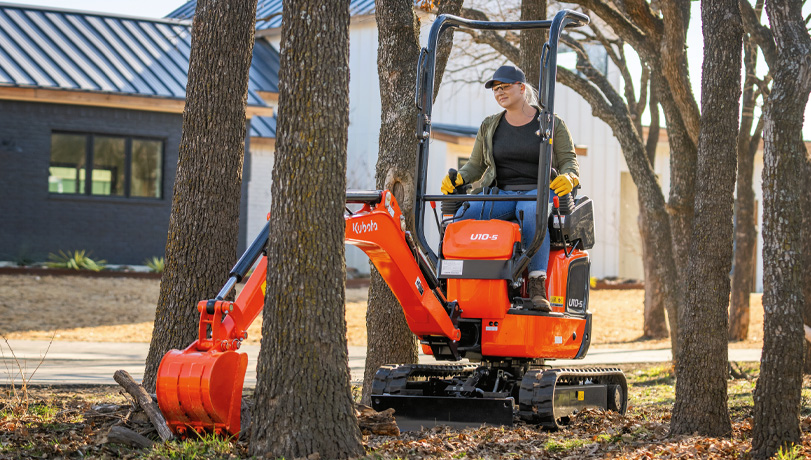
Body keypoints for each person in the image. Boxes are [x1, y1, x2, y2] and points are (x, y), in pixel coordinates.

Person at [441, 65, 580, 311]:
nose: (499, 93)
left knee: (531, 215)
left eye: (504, 87)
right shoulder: (490, 125)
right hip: (501, 193)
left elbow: (569, 160)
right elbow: (475, 165)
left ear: (521, 88)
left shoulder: (551, 123)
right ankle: (451, 278)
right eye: (496, 89)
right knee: (462, 218)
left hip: (536, 192)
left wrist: (570, 177)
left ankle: (537, 284)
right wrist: (460, 178)